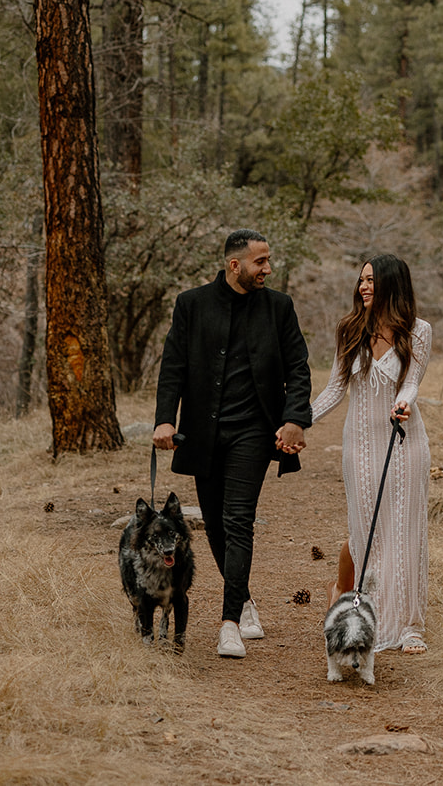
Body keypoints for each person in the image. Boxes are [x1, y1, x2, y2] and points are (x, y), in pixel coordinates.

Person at [153, 229, 312, 658]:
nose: (269, 269)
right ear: (234, 264)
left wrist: (296, 418)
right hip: (204, 433)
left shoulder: (279, 307)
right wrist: (165, 419)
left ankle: (229, 624)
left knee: (238, 520)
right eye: (261, 262)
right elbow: (174, 366)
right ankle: (243, 601)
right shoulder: (192, 304)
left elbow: (298, 366)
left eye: (269, 260)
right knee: (217, 523)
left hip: (254, 432)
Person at [312, 254, 433, 654]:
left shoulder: (418, 331)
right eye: (361, 280)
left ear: (391, 286)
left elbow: (411, 383)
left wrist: (404, 403)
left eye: (372, 281)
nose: (364, 287)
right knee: (367, 533)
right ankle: (359, 609)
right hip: (360, 444)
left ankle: (410, 626)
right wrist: (297, 422)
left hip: (405, 440)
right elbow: (334, 390)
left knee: (405, 531)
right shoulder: (350, 330)